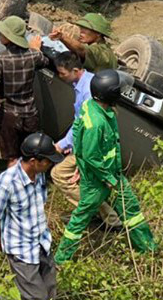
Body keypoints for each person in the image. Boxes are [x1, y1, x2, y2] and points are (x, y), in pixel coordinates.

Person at [54, 69, 158, 263]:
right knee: (79, 220)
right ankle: (60, 261)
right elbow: (92, 157)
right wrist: (106, 178)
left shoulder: (91, 106)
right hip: (98, 181)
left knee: (132, 211)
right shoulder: (97, 123)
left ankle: (149, 250)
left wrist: (80, 163)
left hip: (111, 175)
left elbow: (78, 133)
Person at [0, 133, 64, 300]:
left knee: (50, 291)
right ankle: (0, 298)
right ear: (33, 160)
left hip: (41, 241)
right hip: (20, 247)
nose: (50, 164)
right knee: (36, 297)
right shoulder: (7, 182)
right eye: (47, 161)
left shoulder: (39, 175)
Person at [49, 52, 121, 229]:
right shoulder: (82, 83)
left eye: (62, 73)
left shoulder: (88, 90)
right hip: (87, 143)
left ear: (75, 70)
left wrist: (64, 144)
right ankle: (102, 214)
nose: (60, 76)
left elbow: (85, 124)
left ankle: (102, 215)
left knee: (59, 174)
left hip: (93, 146)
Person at [0, 15, 46, 163]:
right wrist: (37, 50)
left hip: (9, 113)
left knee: (11, 156)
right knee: (31, 156)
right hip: (30, 112)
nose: (0, 35)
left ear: (8, 38)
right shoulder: (33, 56)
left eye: (2, 33)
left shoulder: (0, 58)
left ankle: (12, 183)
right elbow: (44, 61)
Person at [50, 12, 116, 73]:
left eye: (85, 28)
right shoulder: (103, 48)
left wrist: (62, 37)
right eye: (80, 28)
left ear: (98, 33)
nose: (80, 32)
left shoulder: (101, 51)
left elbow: (82, 50)